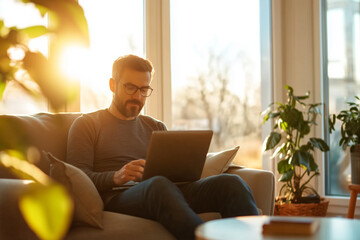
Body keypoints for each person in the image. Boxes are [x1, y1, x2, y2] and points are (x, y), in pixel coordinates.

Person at [67, 54, 258, 240]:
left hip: (165, 191)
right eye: (131, 88)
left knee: (231, 183)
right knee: (158, 185)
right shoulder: (87, 124)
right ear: (112, 85)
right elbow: (77, 176)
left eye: (144, 89)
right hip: (118, 197)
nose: (138, 96)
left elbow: (172, 176)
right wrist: (117, 176)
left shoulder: (155, 127)